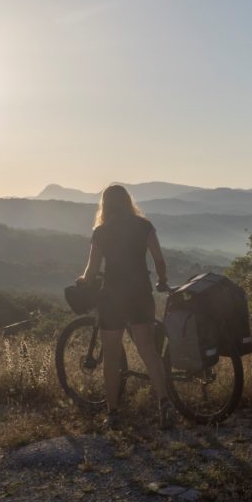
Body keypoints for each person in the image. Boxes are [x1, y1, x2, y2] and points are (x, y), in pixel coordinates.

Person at [78, 184, 176, 429]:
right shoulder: (144, 226)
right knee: (148, 351)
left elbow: (91, 269)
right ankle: (165, 402)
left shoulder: (101, 232)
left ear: (105, 205)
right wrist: (162, 281)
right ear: (128, 202)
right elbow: (159, 261)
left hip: (112, 297)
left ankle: (113, 413)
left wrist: (82, 282)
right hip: (141, 294)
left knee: (111, 357)